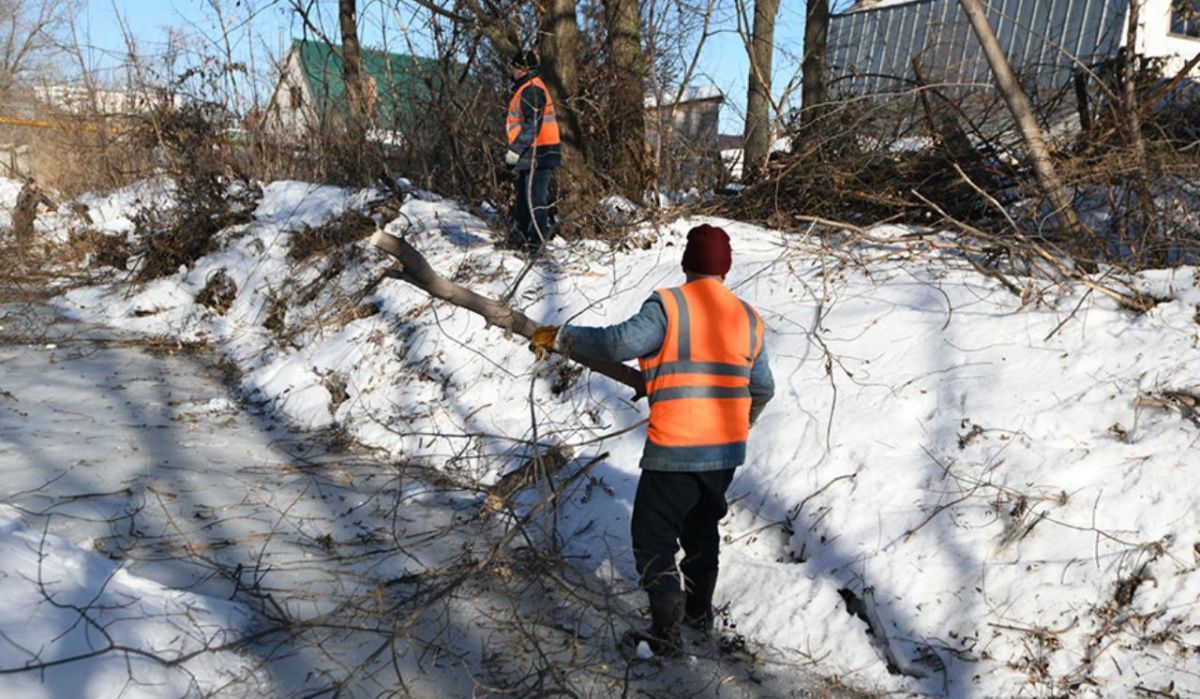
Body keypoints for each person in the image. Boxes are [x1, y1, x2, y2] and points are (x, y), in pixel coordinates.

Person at [529, 224, 775, 656]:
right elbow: (763, 386)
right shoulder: (749, 318)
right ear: (726, 268)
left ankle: (665, 632)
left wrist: (563, 337)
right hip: (725, 453)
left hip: (677, 447)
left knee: (653, 535)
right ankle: (699, 613)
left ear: (687, 263)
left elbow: (619, 342)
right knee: (702, 532)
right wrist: (744, 423)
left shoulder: (671, 305)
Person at [504, 50, 561, 252]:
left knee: (535, 199)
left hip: (540, 152)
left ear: (521, 69)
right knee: (523, 197)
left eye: (514, 67)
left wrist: (516, 149)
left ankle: (537, 244)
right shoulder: (527, 88)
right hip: (534, 152)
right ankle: (519, 238)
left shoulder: (531, 90)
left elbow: (533, 124)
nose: (511, 70)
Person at [12, 178, 55, 251]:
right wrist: (30, 201)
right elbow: (21, 205)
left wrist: (56, 208)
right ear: (29, 185)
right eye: (34, 184)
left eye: (36, 184)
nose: (36, 186)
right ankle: (21, 252)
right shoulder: (23, 193)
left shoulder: (38, 193)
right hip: (20, 216)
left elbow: (47, 201)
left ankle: (28, 251)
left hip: (29, 217)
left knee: (30, 235)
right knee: (21, 237)